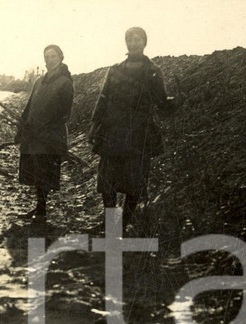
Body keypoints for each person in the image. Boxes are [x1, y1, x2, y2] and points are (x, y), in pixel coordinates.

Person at [88, 27, 175, 228]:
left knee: (134, 183)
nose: (134, 43)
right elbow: (103, 98)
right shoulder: (115, 69)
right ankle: (110, 223)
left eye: (138, 39)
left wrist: (172, 103)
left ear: (145, 43)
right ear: (126, 42)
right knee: (107, 181)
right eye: (130, 39)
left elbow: (161, 102)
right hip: (113, 131)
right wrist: (94, 125)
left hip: (139, 134)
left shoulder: (154, 71)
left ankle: (125, 222)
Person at [15, 44, 74, 221]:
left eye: (53, 56)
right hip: (33, 133)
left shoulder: (65, 82)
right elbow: (30, 106)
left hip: (50, 135)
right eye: (46, 57)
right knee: (35, 170)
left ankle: (42, 210)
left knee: (44, 171)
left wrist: (44, 127)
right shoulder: (39, 81)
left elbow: (64, 113)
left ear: (61, 58)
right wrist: (22, 126)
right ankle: (40, 207)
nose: (49, 60)